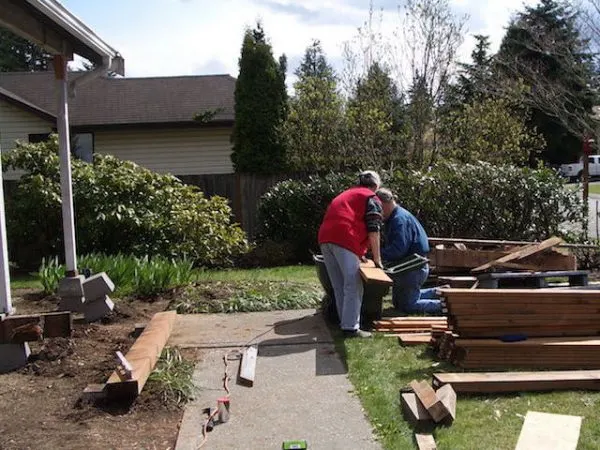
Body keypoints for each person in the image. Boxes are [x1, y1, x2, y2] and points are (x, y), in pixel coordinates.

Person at [318, 170, 384, 338]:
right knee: (353, 284)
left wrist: (359, 252)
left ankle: (344, 323)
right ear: (376, 186)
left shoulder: (347, 194)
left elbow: (348, 218)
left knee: (340, 284)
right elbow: (373, 230)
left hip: (325, 238)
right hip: (344, 237)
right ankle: (350, 328)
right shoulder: (371, 198)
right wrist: (377, 259)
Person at [375, 188, 442, 315]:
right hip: (410, 266)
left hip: (413, 268)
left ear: (385, 204)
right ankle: (438, 292)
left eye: (378, 207)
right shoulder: (395, 217)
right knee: (398, 303)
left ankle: (444, 305)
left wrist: (377, 255)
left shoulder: (399, 220)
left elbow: (398, 250)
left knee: (408, 305)